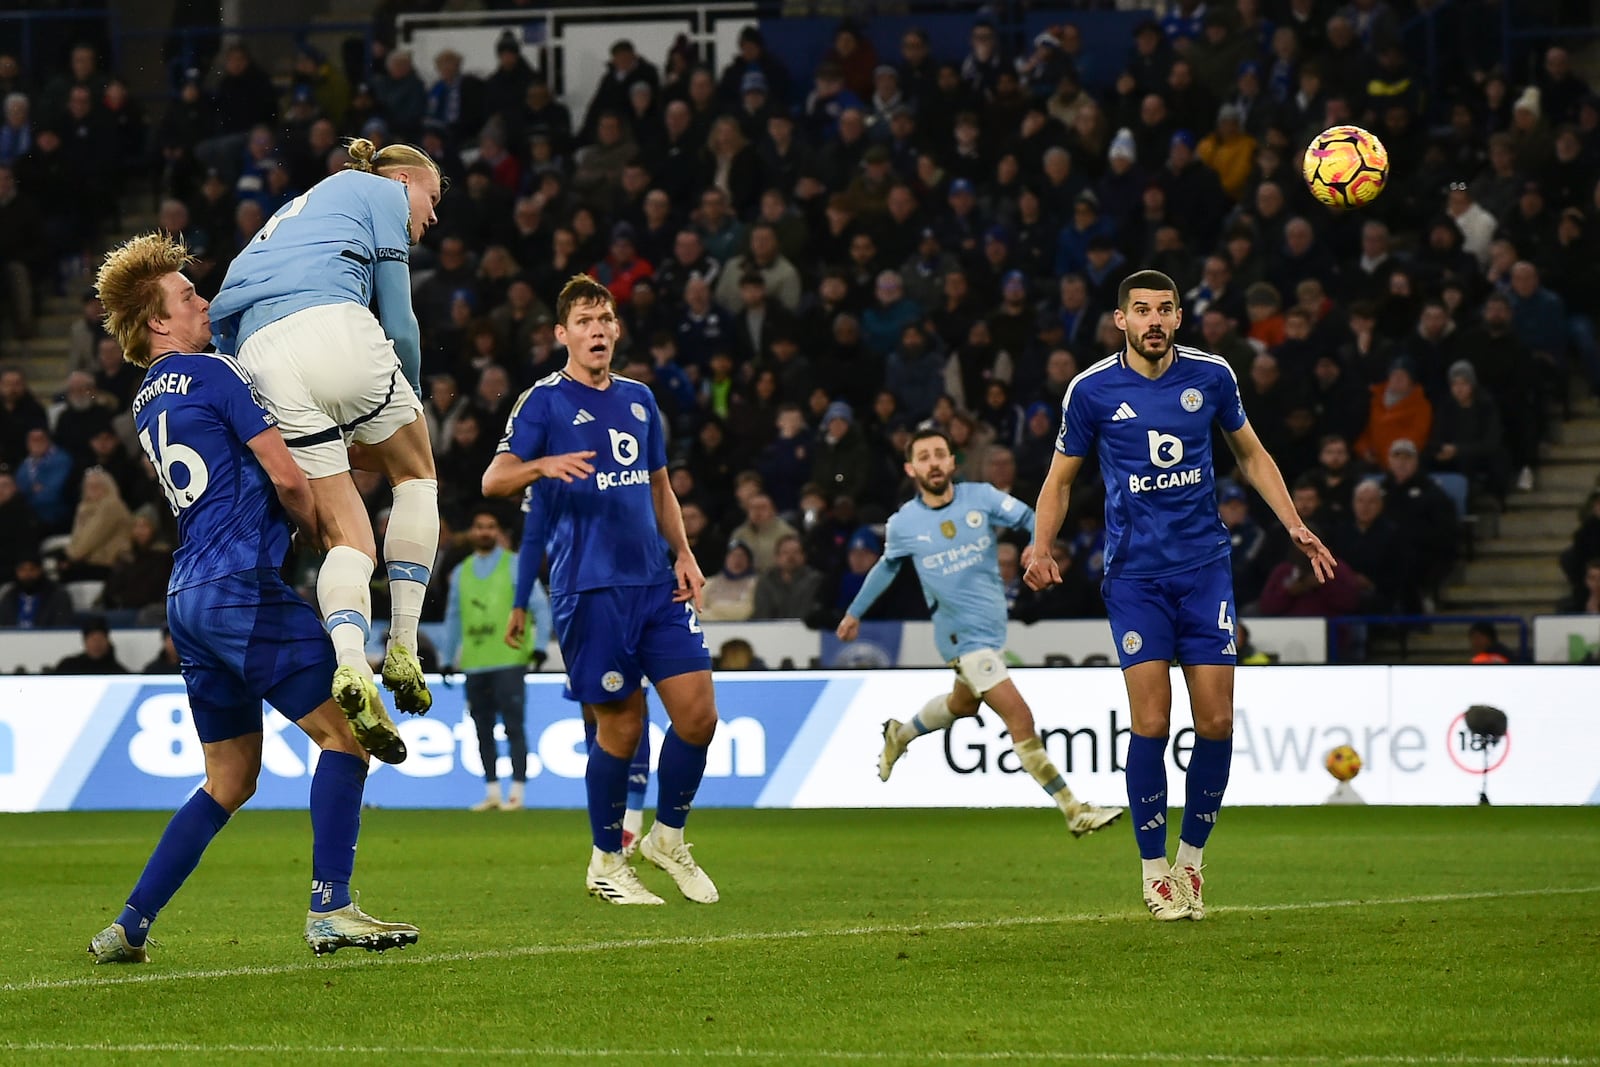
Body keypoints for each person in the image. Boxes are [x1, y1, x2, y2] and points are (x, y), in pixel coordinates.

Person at [87, 230, 416, 963]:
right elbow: (288, 476)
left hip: (188, 597)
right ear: (159, 324)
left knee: (229, 777)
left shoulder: (147, 399)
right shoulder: (213, 372)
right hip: (240, 586)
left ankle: (130, 924)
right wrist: (319, 532)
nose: (202, 301)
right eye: (186, 295)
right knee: (347, 735)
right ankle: (331, 907)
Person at [1025, 269, 1334, 921]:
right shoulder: (1092, 390)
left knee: (1217, 722)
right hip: (1135, 577)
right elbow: (1059, 480)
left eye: (1165, 309)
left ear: (1178, 318)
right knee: (1152, 722)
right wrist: (1039, 543)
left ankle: (1190, 861)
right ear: (1122, 321)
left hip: (1204, 569)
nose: (1155, 320)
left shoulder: (1212, 376)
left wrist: (1294, 523)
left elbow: (1250, 454)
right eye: (1142, 311)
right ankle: (1152, 870)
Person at [484, 274, 720, 906]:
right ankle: (606, 863)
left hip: (654, 583)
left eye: (605, 320)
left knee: (699, 715)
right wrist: (541, 465)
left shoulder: (641, 400)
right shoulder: (542, 403)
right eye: (584, 321)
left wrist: (685, 554)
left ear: (617, 330)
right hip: (590, 589)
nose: (597, 330)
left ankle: (667, 837)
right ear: (562, 334)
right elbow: (493, 480)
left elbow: (660, 488)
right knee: (621, 729)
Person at [206, 136, 445, 738]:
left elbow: (221, 331)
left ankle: (348, 663)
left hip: (260, 357)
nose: (433, 215)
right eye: (433, 197)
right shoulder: (381, 192)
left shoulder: (281, 223)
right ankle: (404, 645)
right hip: (332, 323)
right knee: (417, 474)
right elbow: (401, 323)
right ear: (403, 180)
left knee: (349, 537)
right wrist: (407, 400)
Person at [836, 428, 1124, 836]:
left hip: (990, 634)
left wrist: (1036, 545)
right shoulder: (904, 524)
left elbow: (1029, 516)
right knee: (1020, 716)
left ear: (953, 462)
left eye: (940, 454)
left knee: (963, 705)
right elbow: (886, 568)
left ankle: (900, 733)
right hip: (961, 639)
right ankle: (1073, 809)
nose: (933, 462)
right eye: (924, 456)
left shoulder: (982, 498)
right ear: (911, 468)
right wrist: (854, 614)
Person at [440, 506, 550, 813]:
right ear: (473, 532)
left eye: (490, 526)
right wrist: (449, 658)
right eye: (479, 526)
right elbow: (454, 616)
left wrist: (539, 645)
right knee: (482, 729)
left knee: (514, 726)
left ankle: (516, 793)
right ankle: (491, 792)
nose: (484, 532)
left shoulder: (515, 565)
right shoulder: (462, 571)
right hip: (475, 661)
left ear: (498, 532)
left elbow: (540, 606)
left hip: (509, 657)